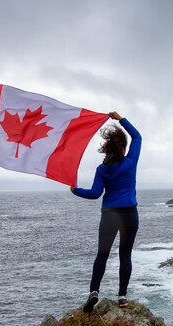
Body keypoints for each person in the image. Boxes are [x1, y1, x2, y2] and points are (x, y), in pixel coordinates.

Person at [70, 111, 141, 312]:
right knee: (125, 255)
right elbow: (138, 136)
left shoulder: (103, 169)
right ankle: (122, 296)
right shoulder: (131, 162)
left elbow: (94, 193)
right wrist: (121, 119)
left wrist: (76, 191)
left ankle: (94, 292)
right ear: (123, 147)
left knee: (102, 255)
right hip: (129, 213)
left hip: (110, 214)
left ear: (107, 148)